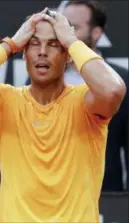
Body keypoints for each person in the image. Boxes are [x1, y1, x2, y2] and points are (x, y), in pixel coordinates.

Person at [0, 7, 126, 223]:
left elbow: (113, 90)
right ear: (24, 52)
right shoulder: (5, 101)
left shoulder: (86, 103)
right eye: (34, 43)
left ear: (67, 55)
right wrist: (10, 43)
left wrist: (72, 42)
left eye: (53, 44)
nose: (42, 52)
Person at [62, 0, 128, 191]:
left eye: (73, 28)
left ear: (96, 33)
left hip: (103, 193)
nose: (65, 35)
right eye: (63, 26)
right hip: (52, 195)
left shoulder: (120, 81)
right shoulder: (44, 78)